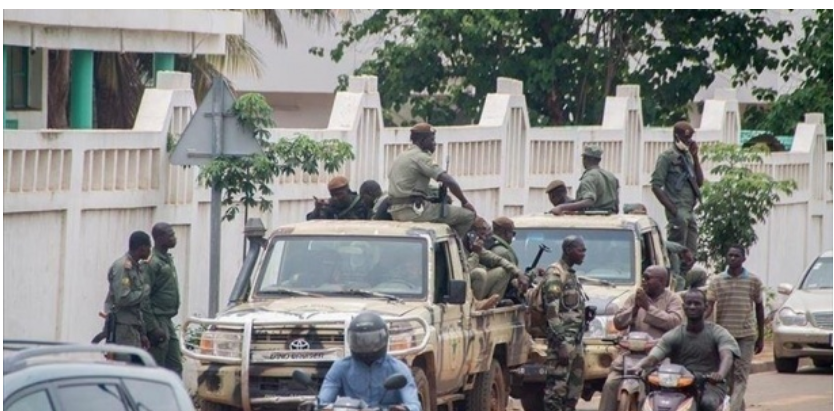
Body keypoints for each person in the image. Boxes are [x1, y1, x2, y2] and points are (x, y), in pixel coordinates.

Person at [632, 289, 740, 411]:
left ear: (706, 307)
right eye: (689, 303)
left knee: (708, 404)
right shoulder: (675, 334)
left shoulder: (718, 332)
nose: (692, 307)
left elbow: (727, 356)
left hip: (710, 384)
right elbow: (654, 356)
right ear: (684, 307)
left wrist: (719, 374)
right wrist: (640, 365)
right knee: (649, 401)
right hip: (679, 384)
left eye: (697, 303)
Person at [598, 265, 683, 411]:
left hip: (659, 356)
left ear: (662, 281)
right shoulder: (635, 297)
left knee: (662, 388)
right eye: (643, 277)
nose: (643, 281)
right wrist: (635, 309)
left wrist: (648, 307)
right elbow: (618, 322)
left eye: (648, 278)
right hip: (631, 355)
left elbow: (674, 322)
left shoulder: (673, 299)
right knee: (610, 383)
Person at [387, 123, 476, 237]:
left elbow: (410, 187)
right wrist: (465, 202)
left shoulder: (402, 156)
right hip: (414, 212)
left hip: (396, 210)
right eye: (432, 139)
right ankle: (455, 251)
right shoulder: (421, 157)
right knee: (468, 216)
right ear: (423, 140)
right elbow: (449, 181)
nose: (434, 143)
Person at [318, 312, 421, 411]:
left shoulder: (398, 368)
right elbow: (322, 403)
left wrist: (403, 409)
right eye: (360, 340)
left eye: (372, 341)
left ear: (384, 338)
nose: (366, 346)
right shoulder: (340, 367)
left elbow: (414, 405)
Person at [705, 245, 765, 411]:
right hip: (724, 336)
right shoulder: (717, 281)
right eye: (730, 255)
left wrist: (760, 336)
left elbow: (759, 308)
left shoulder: (753, 281)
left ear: (743, 258)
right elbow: (709, 306)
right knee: (728, 379)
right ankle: (738, 407)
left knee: (741, 377)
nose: (732, 259)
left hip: (746, 335)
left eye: (736, 256)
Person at [540, 236, 588, 411]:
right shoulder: (555, 273)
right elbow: (551, 313)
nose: (584, 254)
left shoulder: (570, 274)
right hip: (563, 342)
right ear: (568, 250)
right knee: (556, 390)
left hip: (575, 341)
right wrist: (561, 343)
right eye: (580, 250)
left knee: (573, 390)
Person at [650, 121, 704, 253]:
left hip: (689, 210)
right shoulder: (667, 157)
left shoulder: (688, 156)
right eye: (686, 139)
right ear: (676, 137)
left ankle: (684, 273)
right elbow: (656, 186)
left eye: (690, 139)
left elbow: (699, 182)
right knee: (676, 251)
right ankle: (675, 273)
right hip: (678, 209)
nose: (688, 142)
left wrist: (695, 157)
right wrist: (673, 210)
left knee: (691, 252)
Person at [142, 222, 183, 376]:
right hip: (157, 319)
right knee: (157, 367)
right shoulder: (152, 263)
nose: (174, 238)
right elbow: (144, 298)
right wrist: (152, 327)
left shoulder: (166, 259)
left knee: (175, 365)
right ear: (159, 238)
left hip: (167, 320)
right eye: (170, 235)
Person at [103, 231, 152, 356]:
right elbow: (123, 298)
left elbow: (137, 307)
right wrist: (144, 291)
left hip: (133, 326)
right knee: (124, 366)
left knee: (134, 369)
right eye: (149, 247)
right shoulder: (123, 267)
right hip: (122, 327)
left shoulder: (136, 267)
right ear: (142, 248)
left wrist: (142, 333)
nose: (150, 251)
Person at [551, 146, 620, 215]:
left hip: (592, 220)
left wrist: (561, 207)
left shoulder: (589, 178)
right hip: (610, 219)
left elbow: (589, 201)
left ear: (585, 159)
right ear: (599, 160)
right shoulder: (611, 176)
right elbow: (616, 206)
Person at [307, 176, 371, 220]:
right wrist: (317, 209)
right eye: (333, 195)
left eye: (339, 194)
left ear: (348, 191)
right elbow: (311, 221)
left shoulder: (361, 203)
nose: (335, 198)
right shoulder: (331, 205)